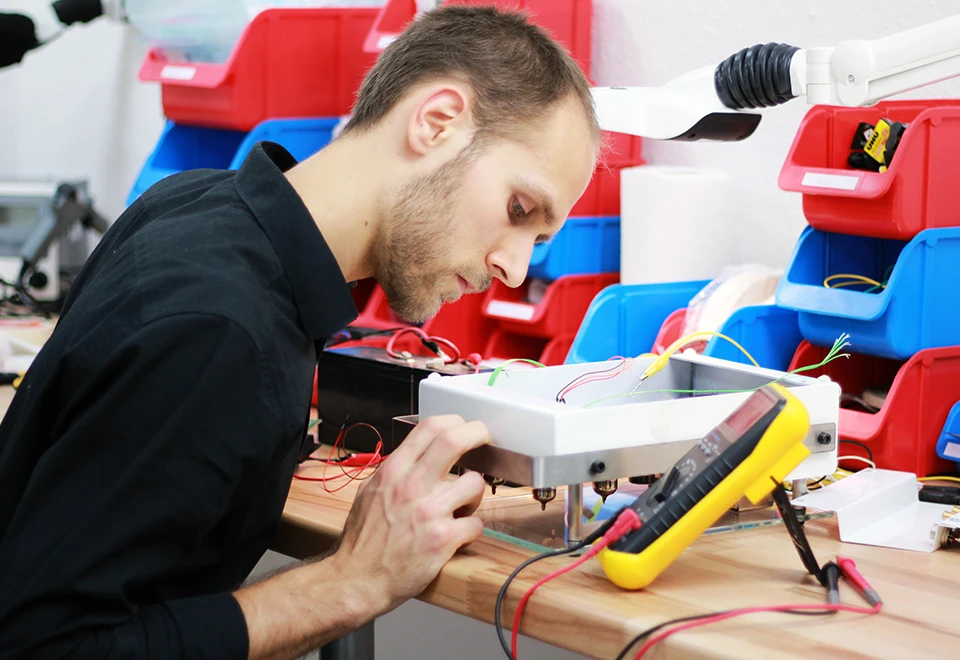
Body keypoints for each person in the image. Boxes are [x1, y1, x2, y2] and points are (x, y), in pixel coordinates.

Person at [0, 5, 600, 659]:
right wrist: (350, 583)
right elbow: (44, 645)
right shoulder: (222, 331)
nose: (513, 267)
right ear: (437, 123)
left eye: (537, 238)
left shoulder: (199, 203)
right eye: (519, 209)